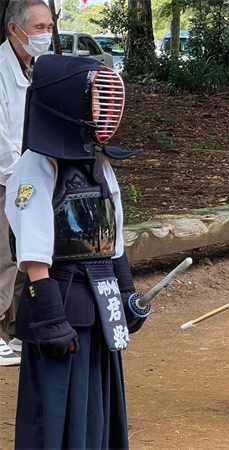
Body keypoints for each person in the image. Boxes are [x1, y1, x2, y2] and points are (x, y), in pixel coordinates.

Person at [5, 54, 149, 449]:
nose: (104, 110)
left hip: (101, 305)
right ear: (68, 101)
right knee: (55, 410)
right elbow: (34, 249)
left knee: (96, 406)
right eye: (96, 100)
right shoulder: (36, 165)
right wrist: (50, 314)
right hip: (61, 305)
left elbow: (112, 237)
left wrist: (126, 292)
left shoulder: (98, 160)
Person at [0, 0, 53, 365]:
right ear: (14, 30)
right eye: (39, 28)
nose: (45, 35)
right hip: (7, 177)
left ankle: (19, 329)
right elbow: (3, 135)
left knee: (30, 250)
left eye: (49, 27)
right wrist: (16, 179)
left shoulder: (39, 67)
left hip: (32, 175)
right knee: (4, 256)